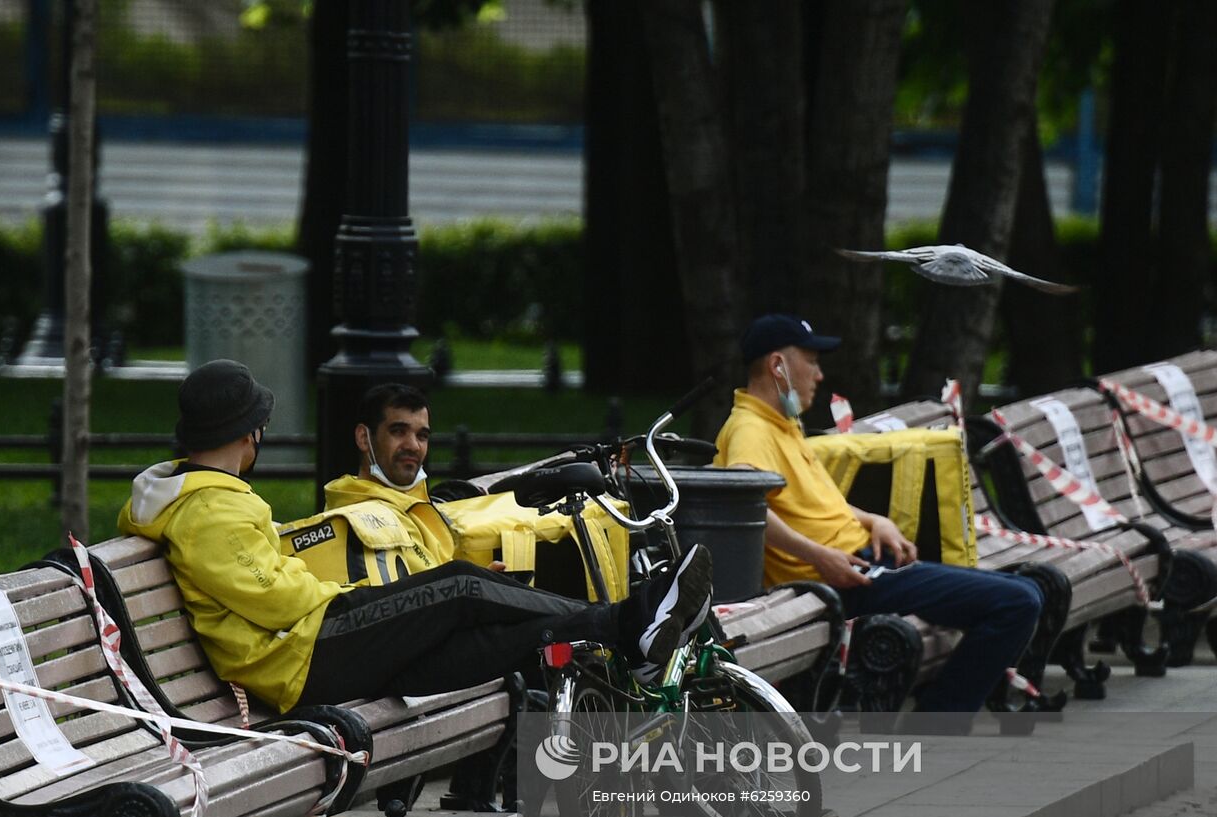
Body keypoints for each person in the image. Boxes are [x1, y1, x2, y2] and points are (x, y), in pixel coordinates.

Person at [118, 359, 713, 711]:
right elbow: (277, 596)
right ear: (251, 432)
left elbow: (268, 579)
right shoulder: (207, 510)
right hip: (298, 658)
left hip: (309, 652)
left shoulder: (209, 501)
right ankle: (627, 621)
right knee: (455, 587)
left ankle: (627, 630)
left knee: (493, 637)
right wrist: (368, 603)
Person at [712, 315, 1041, 713]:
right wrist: (820, 557)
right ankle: (939, 723)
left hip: (864, 562)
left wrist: (873, 520)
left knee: (1027, 591)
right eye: (812, 361)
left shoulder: (780, 423)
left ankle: (942, 714)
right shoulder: (750, 430)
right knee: (1018, 601)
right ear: (778, 365)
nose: (819, 374)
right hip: (845, 575)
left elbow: (811, 503)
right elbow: (743, 507)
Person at [320, 382, 457, 574]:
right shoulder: (357, 513)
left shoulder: (414, 503)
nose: (413, 445)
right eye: (398, 431)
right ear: (364, 438)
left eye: (422, 436)